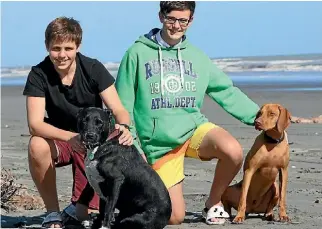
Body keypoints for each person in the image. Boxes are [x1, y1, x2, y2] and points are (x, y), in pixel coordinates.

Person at [115, 1, 260, 226]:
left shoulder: (197, 56)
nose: (176, 25)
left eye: (183, 20)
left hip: (193, 131)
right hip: (158, 144)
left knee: (232, 151)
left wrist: (257, 116)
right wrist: (133, 144)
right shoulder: (136, 53)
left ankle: (213, 203)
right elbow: (122, 103)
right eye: (171, 18)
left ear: (191, 21)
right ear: (161, 16)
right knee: (174, 217)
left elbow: (225, 90)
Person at [23, 16, 134, 228]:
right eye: (56, 48)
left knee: (84, 215)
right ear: (47, 47)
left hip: (92, 142)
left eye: (68, 48)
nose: (62, 55)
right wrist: (71, 137)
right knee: (36, 144)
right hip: (62, 139)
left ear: (77, 46)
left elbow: (118, 109)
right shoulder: (39, 74)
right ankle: (52, 213)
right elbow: (35, 125)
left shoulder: (93, 69)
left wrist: (124, 127)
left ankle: (83, 207)